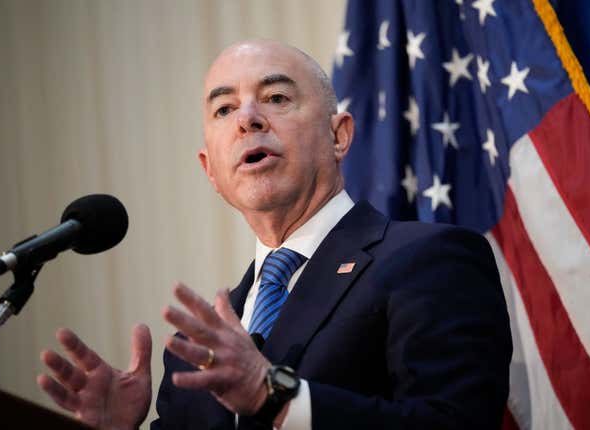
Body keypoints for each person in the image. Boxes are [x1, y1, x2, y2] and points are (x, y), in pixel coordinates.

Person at [37, 40, 512, 430]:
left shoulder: (430, 260)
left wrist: (276, 396)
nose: (247, 119)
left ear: (339, 136)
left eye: (277, 98)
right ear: (211, 170)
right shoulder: (195, 352)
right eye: (224, 109)